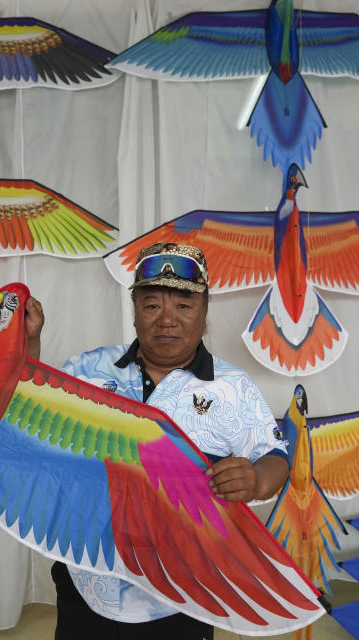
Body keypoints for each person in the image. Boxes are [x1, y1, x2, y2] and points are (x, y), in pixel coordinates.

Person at [23, 242, 289, 640]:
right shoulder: (88, 370)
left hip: (186, 593)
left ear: (204, 310)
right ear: (134, 311)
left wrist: (256, 479)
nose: (167, 320)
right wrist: (26, 345)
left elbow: (277, 458)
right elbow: (31, 423)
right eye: (152, 305)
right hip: (87, 582)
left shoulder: (232, 387)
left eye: (183, 306)